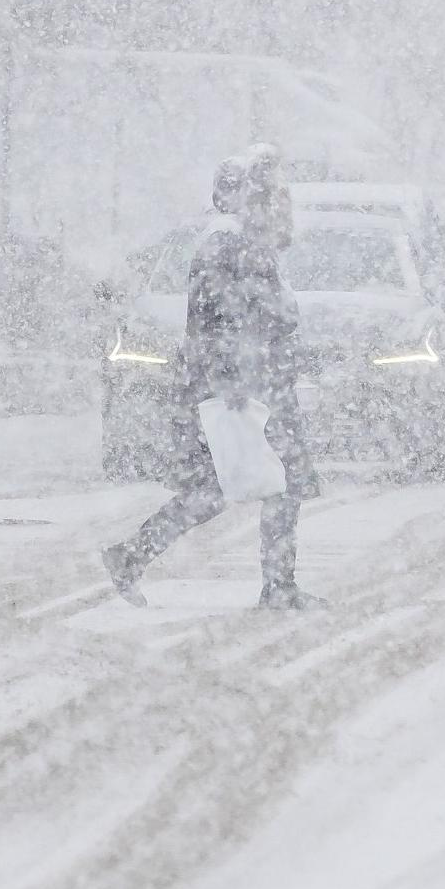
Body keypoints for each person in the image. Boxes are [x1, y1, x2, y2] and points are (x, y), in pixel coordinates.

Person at [101, 150, 323, 612]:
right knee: (249, 486)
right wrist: (231, 378)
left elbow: (258, 316)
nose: (283, 204)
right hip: (242, 389)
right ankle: (275, 586)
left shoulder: (245, 245)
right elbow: (213, 321)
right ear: (247, 198)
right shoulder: (226, 246)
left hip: (255, 383)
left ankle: (135, 556)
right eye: (273, 194)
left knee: (233, 488)